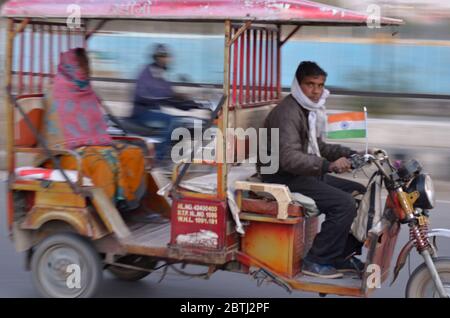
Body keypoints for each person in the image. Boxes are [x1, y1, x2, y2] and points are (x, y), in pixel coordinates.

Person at [258, 61, 366, 279]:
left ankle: (340, 254)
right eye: (310, 84)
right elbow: (289, 158)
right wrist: (328, 165)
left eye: (320, 85)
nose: (316, 91)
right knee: (343, 203)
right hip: (282, 176)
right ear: (298, 84)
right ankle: (317, 259)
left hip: (303, 172)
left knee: (358, 192)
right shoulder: (287, 113)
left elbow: (320, 147)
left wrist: (353, 153)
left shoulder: (308, 110)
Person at [42, 48, 166, 223]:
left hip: (95, 144)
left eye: (87, 65)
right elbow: (56, 132)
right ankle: (107, 211)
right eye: (82, 66)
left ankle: (131, 204)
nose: (87, 70)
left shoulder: (87, 89)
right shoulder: (55, 91)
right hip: (64, 153)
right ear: (71, 67)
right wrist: (89, 143)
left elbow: (96, 124)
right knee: (104, 162)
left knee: (134, 154)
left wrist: (98, 141)